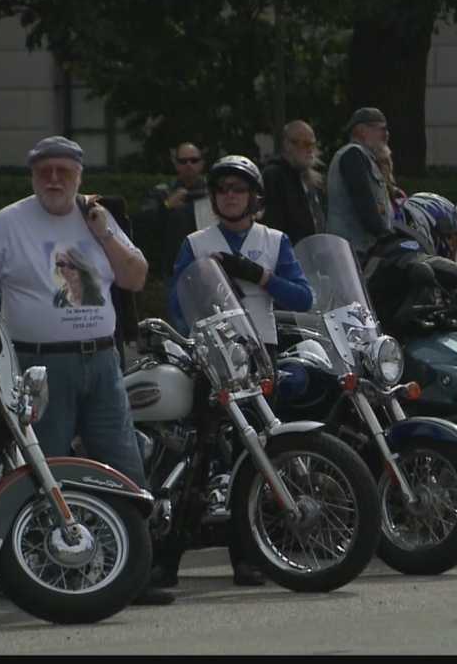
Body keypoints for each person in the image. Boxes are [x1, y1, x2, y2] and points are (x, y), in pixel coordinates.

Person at [0, 136, 169, 605]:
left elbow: (135, 277)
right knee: (47, 468)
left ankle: (133, 572)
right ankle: (46, 570)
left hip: (101, 360)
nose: (53, 179)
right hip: (40, 363)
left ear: (79, 175)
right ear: (33, 175)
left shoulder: (97, 217)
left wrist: (104, 232)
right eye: (44, 171)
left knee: (122, 466)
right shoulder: (9, 222)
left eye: (63, 171)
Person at [164, 155, 312, 588]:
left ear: (253, 197)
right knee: (202, 455)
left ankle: (249, 557)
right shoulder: (195, 242)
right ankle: (168, 560)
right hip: (212, 355)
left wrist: (258, 275)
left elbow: (302, 298)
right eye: (223, 189)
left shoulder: (274, 240)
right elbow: (176, 304)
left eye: (239, 189)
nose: (230, 196)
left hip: (260, 351)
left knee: (258, 457)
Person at [137, 142, 212, 316]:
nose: (189, 165)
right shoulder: (163, 192)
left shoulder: (214, 192)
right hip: (175, 269)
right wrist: (167, 205)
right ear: (175, 163)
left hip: (210, 268)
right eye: (183, 161)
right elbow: (143, 223)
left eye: (194, 160)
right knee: (180, 324)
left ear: (202, 163)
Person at [326, 107, 394, 264]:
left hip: (361, 251)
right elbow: (365, 206)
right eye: (381, 129)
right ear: (362, 131)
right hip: (352, 253)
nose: (386, 135)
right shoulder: (353, 155)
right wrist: (389, 239)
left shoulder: (366, 158)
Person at [261, 120, 325, 245]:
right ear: (288, 144)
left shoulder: (311, 181)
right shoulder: (274, 175)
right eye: (305, 144)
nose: (310, 150)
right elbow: (272, 223)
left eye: (312, 144)